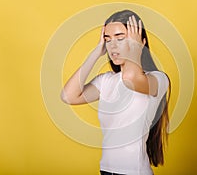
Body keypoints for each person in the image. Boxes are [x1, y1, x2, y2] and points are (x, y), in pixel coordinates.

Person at [61, 10, 171, 175]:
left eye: (120, 38)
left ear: (140, 42)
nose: (113, 46)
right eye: (108, 40)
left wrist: (136, 49)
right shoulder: (106, 81)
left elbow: (130, 79)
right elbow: (68, 96)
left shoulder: (157, 80)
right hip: (106, 170)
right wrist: (97, 52)